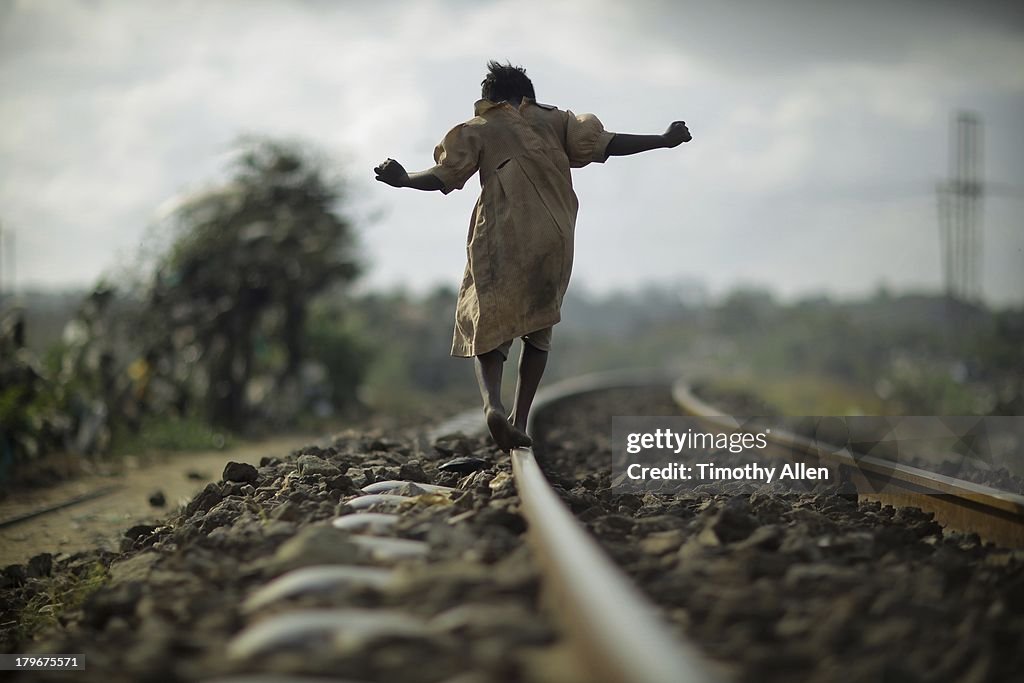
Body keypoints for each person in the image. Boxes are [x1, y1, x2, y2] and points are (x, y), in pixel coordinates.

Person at [375, 61, 691, 451]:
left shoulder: (479, 129)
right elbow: (609, 144)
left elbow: (443, 177)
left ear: (489, 99)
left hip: (501, 236)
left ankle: (493, 406)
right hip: (554, 237)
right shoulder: (559, 122)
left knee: (488, 321)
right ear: (528, 95)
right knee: (539, 331)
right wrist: (662, 139)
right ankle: (520, 418)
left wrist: (404, 179)